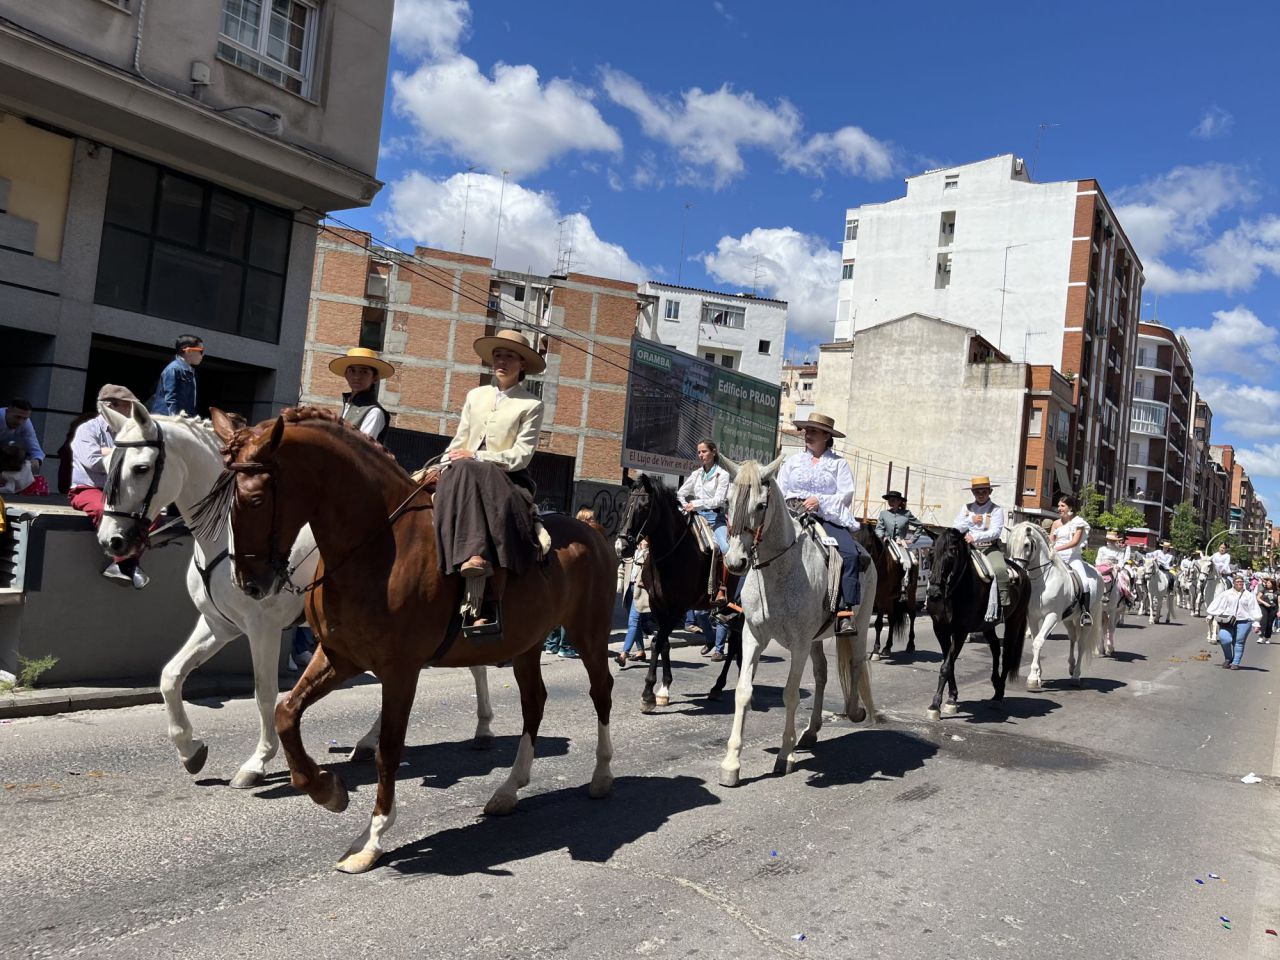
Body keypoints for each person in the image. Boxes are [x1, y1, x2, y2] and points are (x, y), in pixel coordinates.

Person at [434, 329, 545, 626]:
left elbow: (521, 455)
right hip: (463, 471)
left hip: (507, 480)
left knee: (470, 469)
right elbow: (460, 440)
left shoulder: (531, 405)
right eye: (498, 354)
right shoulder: (475, 395)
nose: (502, 360)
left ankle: (483, 594)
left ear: (522, 364)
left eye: (510, 356)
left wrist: (477, 457)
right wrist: (439, 464)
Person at [777, 412, 864, 633]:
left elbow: (846, 494)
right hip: (792, 514)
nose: (808, 434)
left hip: (826, 516)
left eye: (814, 431)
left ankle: (845, 611)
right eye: (807, 430)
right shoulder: (793, 461)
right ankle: (738, 604)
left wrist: (820, 501)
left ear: (826, 436)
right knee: (758, 542)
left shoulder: (838, 464)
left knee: (850, 555)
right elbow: (780, 488)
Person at [69, 384, 149, 589]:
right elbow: (92, 461)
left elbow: (142, 461)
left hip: (121, 491)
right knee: (103, 509)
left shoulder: (132, 431)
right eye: (127, 406)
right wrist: (120, 455)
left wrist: (108, 452)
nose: (132, 412)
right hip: (87, 488)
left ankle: (122, 564)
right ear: (110, 406)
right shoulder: (86, 430)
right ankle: (128, 565)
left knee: (150, 513)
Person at [953, 476, 1009, 621]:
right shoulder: (966, 508)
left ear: (990, 492)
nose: (981, 494)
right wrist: (969, 521)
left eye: (984, 491)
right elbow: (956, 528)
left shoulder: (996, 510)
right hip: (968, 548)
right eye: (977, 492)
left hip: (989, 548)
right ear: (973, 493)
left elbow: (996, 532)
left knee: (1000, 569)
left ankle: (1004, 605)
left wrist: (975, 537)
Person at [329, 347, 394, 442]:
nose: (356, 377)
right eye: (352, 371)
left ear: (375, 378)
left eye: (364, 372)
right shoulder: (347, 404)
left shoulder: (374, 412)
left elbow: (361, 448)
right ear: (346, 375)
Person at [1049, 494, 1093, 626]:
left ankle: (1085, 612)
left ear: (1070, 507)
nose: (1059, 508)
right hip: (1055, 556)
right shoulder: (1055, 523)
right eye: (1058, 506)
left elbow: (1074, 542)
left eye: (1062, 506)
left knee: (1084, 582)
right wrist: (1049, 546)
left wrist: (1058, 548)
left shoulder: (1078, 522)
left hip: (1072, 556)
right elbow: (1051, 541)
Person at [1206, 572, 1262, 669]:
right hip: (1228, 620)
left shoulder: (1249, 595)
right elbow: (1218, 605)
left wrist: (1256, 622)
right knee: (1225, 639)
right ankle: (1228, 658)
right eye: (1238, 581)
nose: (1240, 583)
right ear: (1233, 583)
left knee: (1239, 642)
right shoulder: (1226, 594)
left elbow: (1254, 609)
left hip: (1244, 621)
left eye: (1241, 581)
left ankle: (1235, 663)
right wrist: (1211, 614)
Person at [618, 536, 654, 667]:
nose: (642, 541)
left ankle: (624, 654)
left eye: (645, 539)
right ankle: (640, 651)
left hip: (641, 591)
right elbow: (622, 568)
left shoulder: (651, 554)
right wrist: (620, 585)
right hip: (629, 589)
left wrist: (645, 551)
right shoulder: (632, 551)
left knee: (633, 621)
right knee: (635, 623)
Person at [149, 335, 203, 417]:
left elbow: (191, 404)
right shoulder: (173, 369)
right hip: (165, 421)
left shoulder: (192, 373)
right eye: (201, 351)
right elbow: (171, 398)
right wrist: (176, 419)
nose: (202, 355)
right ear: (188, 351)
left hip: (181, 420)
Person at [876, 489, 923, 573]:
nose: (890, 501)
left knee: (910, 562)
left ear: (899, 501)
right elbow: (879, 528)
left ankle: (907, 581)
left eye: (893, 500)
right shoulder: (883, 514)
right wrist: (882, 536)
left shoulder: (907, 514)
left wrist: (911, 540)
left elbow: (919, 525)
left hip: (901, 544)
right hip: (887, 542)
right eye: (889, 500)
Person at [0, 399, 44, 473]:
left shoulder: (26, 423)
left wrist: (37, 461)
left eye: (25, 418)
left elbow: (35, 449)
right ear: (8, 411)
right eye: (17, 417)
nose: (20, 422)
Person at [1095, 529, 1132, 603]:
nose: (1111, 542)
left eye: (1112, 540)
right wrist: (1099, 565)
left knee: (1125, 579)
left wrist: (1118, 566)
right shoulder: (1102, 549)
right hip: (1102, 567)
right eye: (1109, 540)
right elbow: (1098, 559)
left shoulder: (1119, 550)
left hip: (1114, 568)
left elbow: (1121, 560)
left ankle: (1126, 596)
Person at [1257, 577, 1276, 643]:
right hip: (1264, 607)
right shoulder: (1263, 590)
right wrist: (1264, 603)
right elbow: (1258, 598)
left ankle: (1267, 638)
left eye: (1269, 583)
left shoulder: (1277, 591)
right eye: (1267, 583)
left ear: (1272, 584)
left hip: (1273, 608)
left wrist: (1279, 610)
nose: (1267, 584)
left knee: (1269, 624)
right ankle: (1260, 637)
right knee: (1263, 622)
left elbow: (1279, 602)